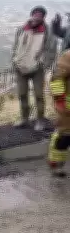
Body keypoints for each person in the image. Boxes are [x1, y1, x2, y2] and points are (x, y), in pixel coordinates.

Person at [11, 6, 55, 132]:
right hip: (21, 67)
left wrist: (43, 64)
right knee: (22, 94)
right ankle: (24, 118)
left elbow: (50, 50)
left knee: (38, 95)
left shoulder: (47, 31)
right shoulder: (22, 29)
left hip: (37, 69)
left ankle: (40, 120)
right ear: (31, 15)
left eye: (40, 15)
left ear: (43, 17)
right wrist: (15, 60)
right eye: (35, 14)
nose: (37, 16)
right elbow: (15, 46)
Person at [48, 49, 70, 177]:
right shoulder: (68, 57)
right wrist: (60, 101)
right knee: (64, 137)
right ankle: (57, 164)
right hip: (67, 110)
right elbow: (56, 79)